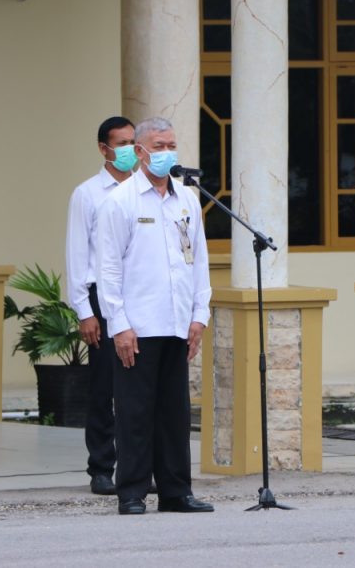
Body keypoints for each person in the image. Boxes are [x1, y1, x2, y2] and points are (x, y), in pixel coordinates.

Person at [97, 116, 214, 515]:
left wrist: (199, 315)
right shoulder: (121, 201)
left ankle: (176, 491)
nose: (167, 153)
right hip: (138, 326)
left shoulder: (186, 200)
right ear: (140, 151)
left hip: (177, 321)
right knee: (134, 412)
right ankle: (131, 491)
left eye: (171, 146)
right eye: (159, 146)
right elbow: (108, 269)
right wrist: (119, 324)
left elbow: (198, 262)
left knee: (174, 414)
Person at [65, 116, 137, 496]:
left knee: (138, 388)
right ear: (103, 148)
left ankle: (137, 467)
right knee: (104, 386)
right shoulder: (88, 193)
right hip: (100, 297)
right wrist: (85, 311)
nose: (129, 150)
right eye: (121, 143)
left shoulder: (144, 191)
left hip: (138, 296)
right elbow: (77, 253)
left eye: (132, 142)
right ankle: (101, 467)